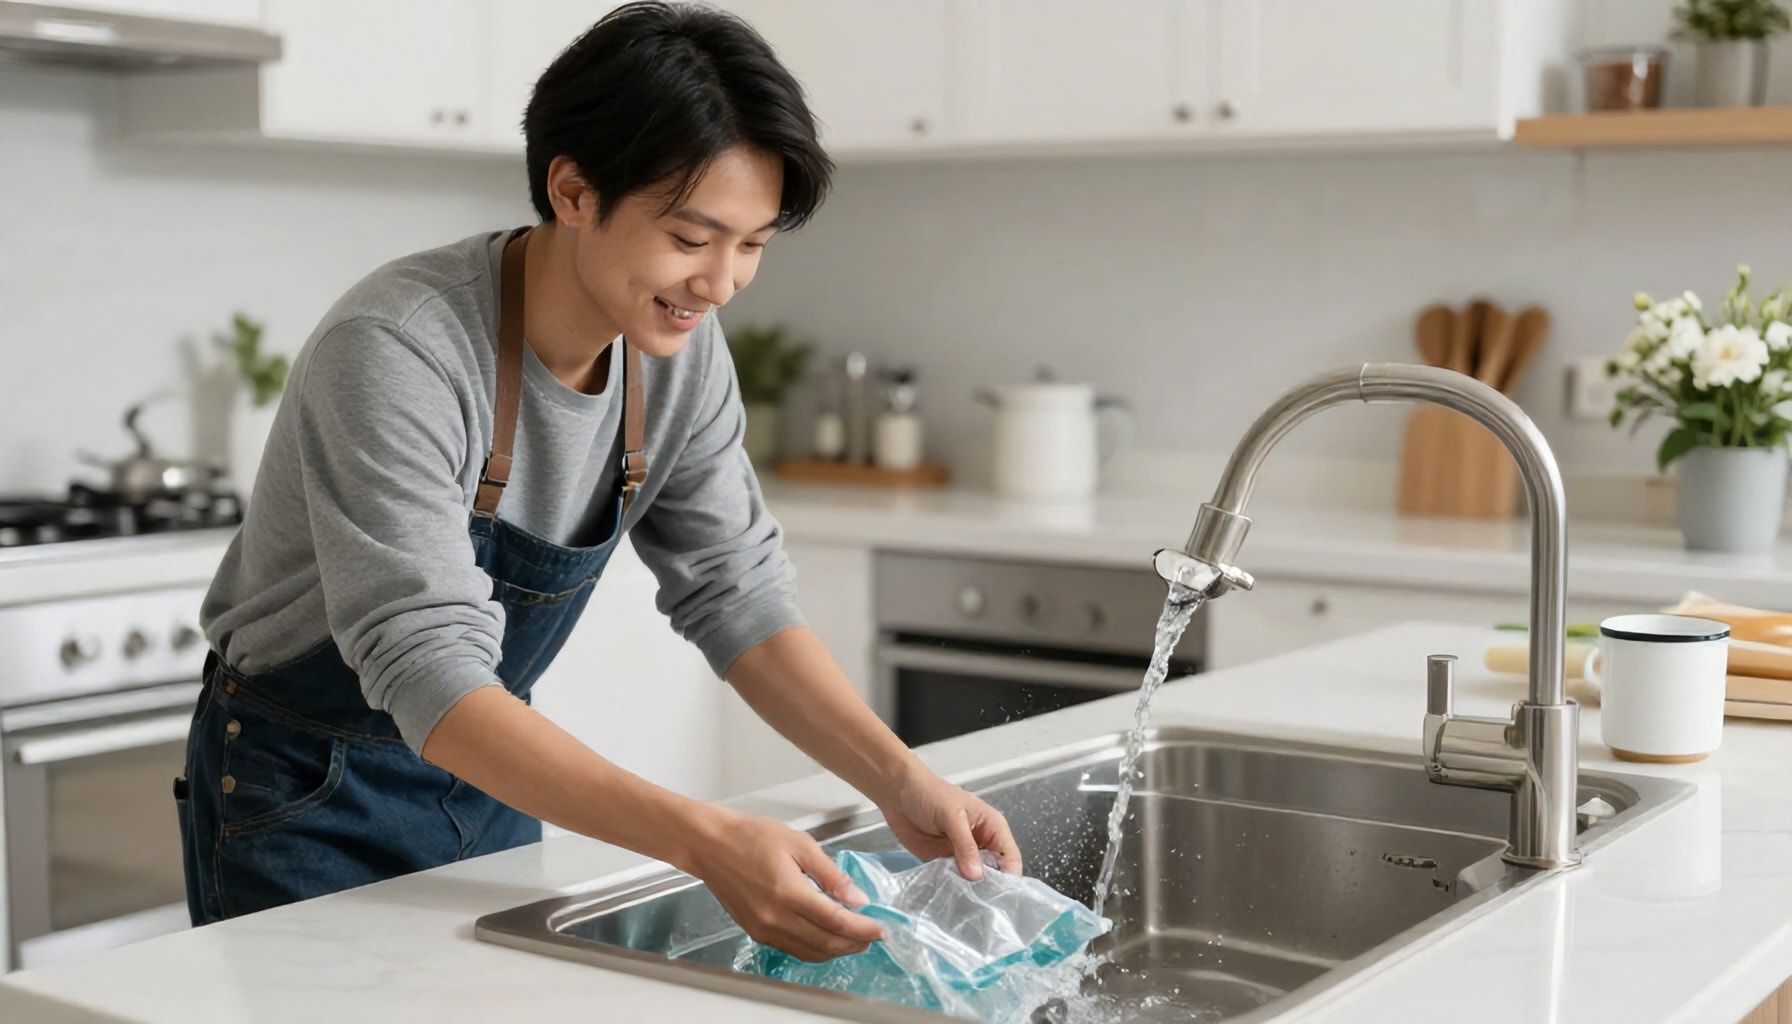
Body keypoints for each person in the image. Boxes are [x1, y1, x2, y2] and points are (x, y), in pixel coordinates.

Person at [174, 1, 1019, 963]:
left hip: (492, 773)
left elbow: (736, 594)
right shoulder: (399, 349)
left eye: (752, 245)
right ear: (573, 191)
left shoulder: (679, 355)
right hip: (303, 795)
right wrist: (708, 842)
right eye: (693, 238)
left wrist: (898, 777)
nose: (721, 283)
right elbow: (429, 671)